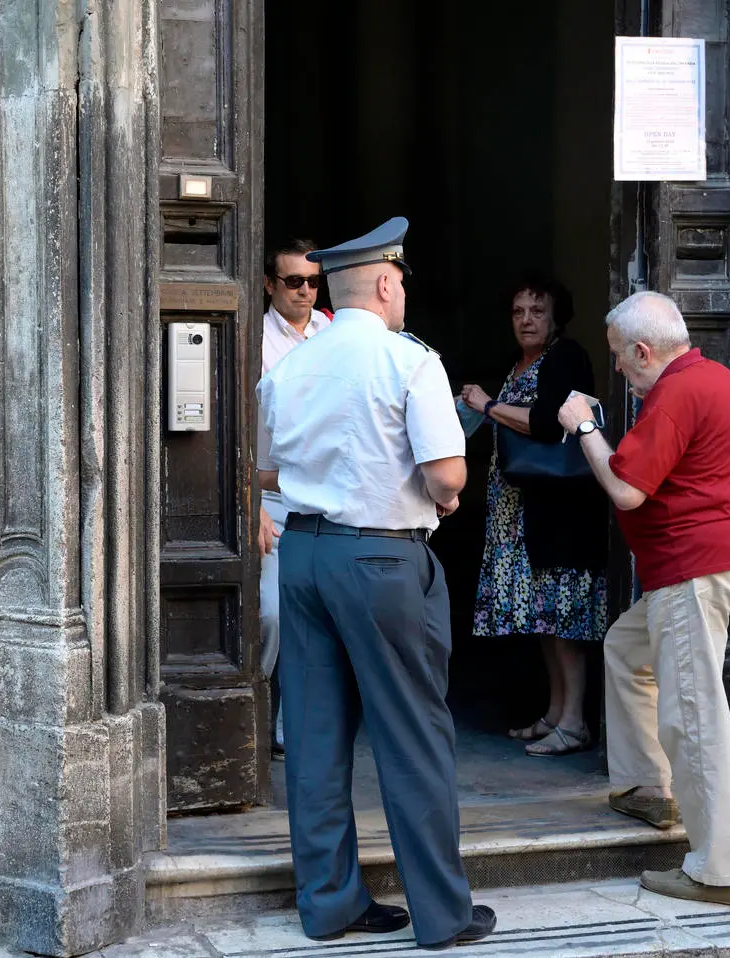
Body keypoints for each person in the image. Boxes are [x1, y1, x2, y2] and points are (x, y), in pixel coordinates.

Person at [257, 217, 495, 948]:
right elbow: (446, 473)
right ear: (387, 283)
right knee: (413, 733)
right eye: (400, 285)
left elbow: (265, 470)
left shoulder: (288, 366)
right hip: (381, 559)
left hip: (302, 555)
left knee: (316, 736)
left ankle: (330, 905)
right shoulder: (409, 361)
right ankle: (442, 914)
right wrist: (446, 495)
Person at [558, 290, 730, 908]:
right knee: (626, 649)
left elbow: (626, 489)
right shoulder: (713, 378)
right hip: (719, 561)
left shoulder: (677, 391)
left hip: (693, 569)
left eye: (621, 358)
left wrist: (587, 427)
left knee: (695, 717)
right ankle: (645, 787)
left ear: (644, 350)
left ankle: (719, 871)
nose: (618, 370)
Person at [459, 275, 609, 757]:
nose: (527, 320)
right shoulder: (522, 361)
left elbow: (548, 422)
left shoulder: (566, 357)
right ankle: (555, 713)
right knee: (542, 617)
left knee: (564, 618)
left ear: (556, 316)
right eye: (519, 311)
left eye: (537, 311)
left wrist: (489, 404)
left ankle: (574, 722)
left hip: (557, 510)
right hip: (519, 512)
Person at [257, 238, 331, 757]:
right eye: (293, 282)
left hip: (327, 497)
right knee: (271, 615)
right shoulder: (251, 336)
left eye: (312, 281)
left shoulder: (333, 333)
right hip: (273, 497)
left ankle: (291, 727)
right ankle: (250, 716)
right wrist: (250, 505)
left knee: (319, 617)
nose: (304, 291)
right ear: (269, 284)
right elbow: (233, 426)